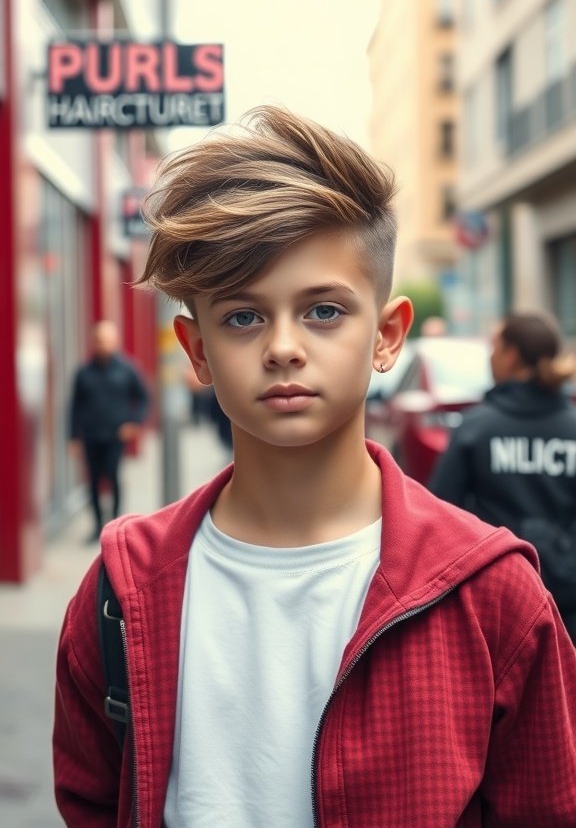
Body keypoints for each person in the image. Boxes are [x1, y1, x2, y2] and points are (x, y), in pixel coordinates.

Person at [54, 107, 576, 827]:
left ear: (387, 335)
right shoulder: (121, 591)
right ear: (196, 350)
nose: (284, 347)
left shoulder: (493, 599)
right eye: (241, 316)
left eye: (324, 310)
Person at [429, 310, 576, 640]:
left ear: (511, 356)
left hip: (495, 603)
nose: (490, 357)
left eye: (495, 347)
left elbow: (441, 515)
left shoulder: (477, 428)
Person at [68, 319, 150, 541]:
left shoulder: (127, 369)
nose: (102, 344)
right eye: (99, 340)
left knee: (113, 478)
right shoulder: (83, 372)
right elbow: (74, 406)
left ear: (115, 342)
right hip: (91, 436)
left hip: (115, 436)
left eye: (106, 340)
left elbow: (143, 397)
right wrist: (73, 437)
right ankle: (96, 526)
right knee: (93, 482)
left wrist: (134, 422)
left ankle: (114, 525)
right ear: (93, 342)